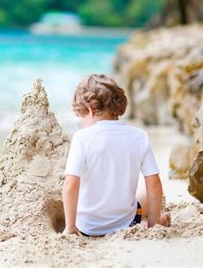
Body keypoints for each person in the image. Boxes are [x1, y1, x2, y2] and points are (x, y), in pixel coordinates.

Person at [62, 74, 170, 237]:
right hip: (126, 224)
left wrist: (70, 229)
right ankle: (153, 221)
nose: (81, 123)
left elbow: (71, 185)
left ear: (90, 111)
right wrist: (154, 224)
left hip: (87, 228)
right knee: (145, 194)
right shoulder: (139, 136)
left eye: (80, 117)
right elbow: (153, 182)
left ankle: (74, 226)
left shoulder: (82, 138)